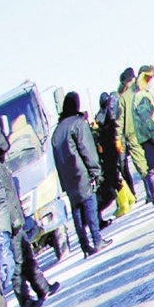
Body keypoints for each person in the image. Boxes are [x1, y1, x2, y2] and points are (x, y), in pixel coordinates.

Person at [0, 119, 51, 307]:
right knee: (17, 259)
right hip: (8, 221)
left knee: (25, 254)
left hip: (13, 217)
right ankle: (25, 300)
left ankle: (42, 287)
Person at [49, 93, 102, 257]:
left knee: (77, 212)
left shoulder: (57, 132)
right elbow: (87, 150)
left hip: (67, 177)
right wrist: (95, 171)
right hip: (81, 173)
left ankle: (84, 245)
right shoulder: (78, 124)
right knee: (89, 205)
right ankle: (97, 239)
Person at [95, 86, 139, 218]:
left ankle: (124, 203)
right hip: (119, 147)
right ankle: (130, 197)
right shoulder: (115, 113)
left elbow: (101, 125)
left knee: (115, 176)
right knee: (123, 172)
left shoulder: (103, 115)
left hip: (110, 150)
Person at [127, 67, 154, 206]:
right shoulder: (142, 95)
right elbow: (146, 117)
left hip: (146, 135)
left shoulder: (141, 93)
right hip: (148, 135)